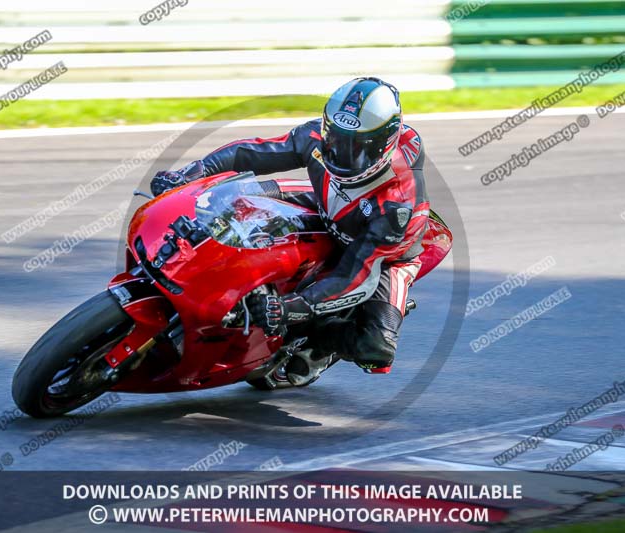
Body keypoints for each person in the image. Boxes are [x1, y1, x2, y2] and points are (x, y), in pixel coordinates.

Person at [151, 77, 429, 384]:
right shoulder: (318, 136)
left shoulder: (398, 204)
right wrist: (193, 172)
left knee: (375, 347)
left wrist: (291, 308)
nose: (339, 153)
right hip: (324, 206)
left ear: (384, 144)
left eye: (357, 148)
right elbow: (254, 152)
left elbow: (357, 275)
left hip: (381, 254)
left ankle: (319, 344)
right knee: (227, 198)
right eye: (335, 139)